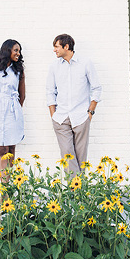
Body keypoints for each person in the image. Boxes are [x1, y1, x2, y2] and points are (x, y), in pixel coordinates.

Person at [45, 33, 102, 173]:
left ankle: (78, 192)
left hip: (81, 117)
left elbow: (96, 88)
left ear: (66, 46)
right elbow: (50, 91)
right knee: (67, 154)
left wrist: (90, 112)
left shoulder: (85, 63)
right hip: (61, 118)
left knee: (81, 157)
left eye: (57, 46)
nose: (54, 50)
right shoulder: (54, 66)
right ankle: (75, 190)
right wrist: (53, 115)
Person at [0, 39, 26, 171]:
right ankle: (4, 187)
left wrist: (14, 108)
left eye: (19, 51)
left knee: (11, 147)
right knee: (1, 149)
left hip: (12, 110)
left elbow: (22, 95)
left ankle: (10, 183)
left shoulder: (19, 71)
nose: (18, 53)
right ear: (7, 50)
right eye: (16, 50)